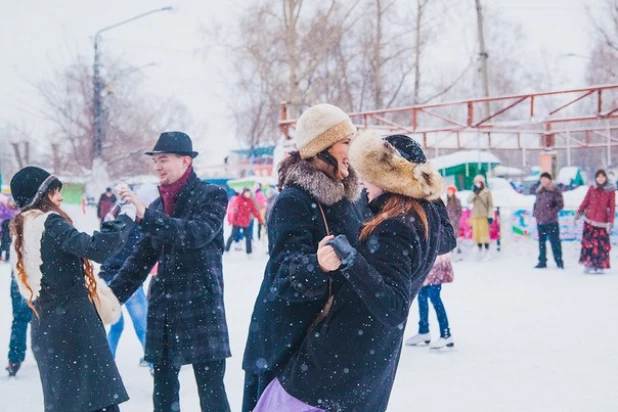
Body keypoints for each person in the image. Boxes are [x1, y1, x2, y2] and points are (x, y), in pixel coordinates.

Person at [253, 131, 454, 411]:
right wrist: (423, 184)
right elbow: (448, 237)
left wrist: (350, 259)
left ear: (388, 175)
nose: (363, 180)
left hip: (336, 362)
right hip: (368, 365)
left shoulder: (394, 226)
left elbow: (393, 306)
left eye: (369, 172)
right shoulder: (423, 215)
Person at [242, 104, 362, 411]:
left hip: (323, 347)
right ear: (322, 148)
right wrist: (318, 264)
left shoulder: (346, 201)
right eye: (346, 142)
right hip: (286, 346)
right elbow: (284, 275)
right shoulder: (292, 201)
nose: (353, 149)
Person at [108, 131, 231, 412]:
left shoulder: (211, 195)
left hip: (201, 305)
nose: (157, 166)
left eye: (163, 160)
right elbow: (138, 262)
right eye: (155, 161)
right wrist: (107, 299)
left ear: (185, 161)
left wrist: (147, 216)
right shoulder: (155, 206)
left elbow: (195, 234)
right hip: (164, 308)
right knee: (163, 391)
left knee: (211, 389)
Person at [9, 166, 135, 411]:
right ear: (41, 195)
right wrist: (126, 216)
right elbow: (97, 248)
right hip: (75, 328)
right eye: (56, 192)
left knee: (68, 404)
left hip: (47, 328)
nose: (61, 198)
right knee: (100, 404)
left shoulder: (21, 228)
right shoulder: (50, 223)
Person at [405, 253, 455, 349]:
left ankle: (446, 333)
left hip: (437, 261)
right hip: (428, 260)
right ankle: (424, 331)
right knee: (422, 294)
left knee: (434, 296)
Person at [576, 169, 616, 274]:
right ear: (596, 178)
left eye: (602, 177)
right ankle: (588, 264)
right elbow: (586, 201)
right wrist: (579, 212)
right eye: (598, 177)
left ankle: (600, 265)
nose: (600, 179)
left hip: (602, 222)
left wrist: (610, 222)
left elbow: (612, 207)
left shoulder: (610, 190)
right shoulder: (592, 188)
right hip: (589, 221)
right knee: (588, 244)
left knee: (601, 245)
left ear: (605, 178)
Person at [533, 172, 564, 269]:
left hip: (551, 221)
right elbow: (536, 203)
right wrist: (535, 213)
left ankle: (559, 261)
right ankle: (542, 261)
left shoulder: (554, 190)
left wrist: (551, 213)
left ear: (549, 180)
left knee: (555, 243)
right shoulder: (539, 191)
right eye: (542, 179)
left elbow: (560, 204)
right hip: (540, 221)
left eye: (545, 179)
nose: (544, 180)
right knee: (541, 243)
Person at [225, 187, 264, 256]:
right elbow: (234, 210)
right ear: (244, 193)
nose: (248, 194)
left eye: (249, 193)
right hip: (237, 222)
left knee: (248, 237)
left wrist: (260, 219)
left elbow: (254, 211)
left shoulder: (250, 201)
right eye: (247, 193)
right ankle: (226, 250)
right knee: (233, 235)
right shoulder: (238, 199)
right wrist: (231, 220)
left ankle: (249, 252)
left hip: (245, 222)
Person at [467, 174, 494, 260]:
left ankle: (487, 251)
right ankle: (479, 251)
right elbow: (468, 201)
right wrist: (474, 192)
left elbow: (490, 205)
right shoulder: (474, 191)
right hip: (475, 216)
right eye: (476, 182)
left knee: (484, 235)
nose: (477, 183)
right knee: (477, 235)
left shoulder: (487, 191)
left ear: (482, 182)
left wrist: (490, 216)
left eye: (479, 182)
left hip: (484, 215)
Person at [446, 185, 462, 256]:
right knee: (449, 236)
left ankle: (457, 252)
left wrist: (456, 218)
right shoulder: (447, 201)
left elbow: (459, 211)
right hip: (448, 221)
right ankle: (451, 252)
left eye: (450, 191)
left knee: (455, 236)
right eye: (448, 191)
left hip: (454, 222)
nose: (449, 193)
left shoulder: (457, 200)